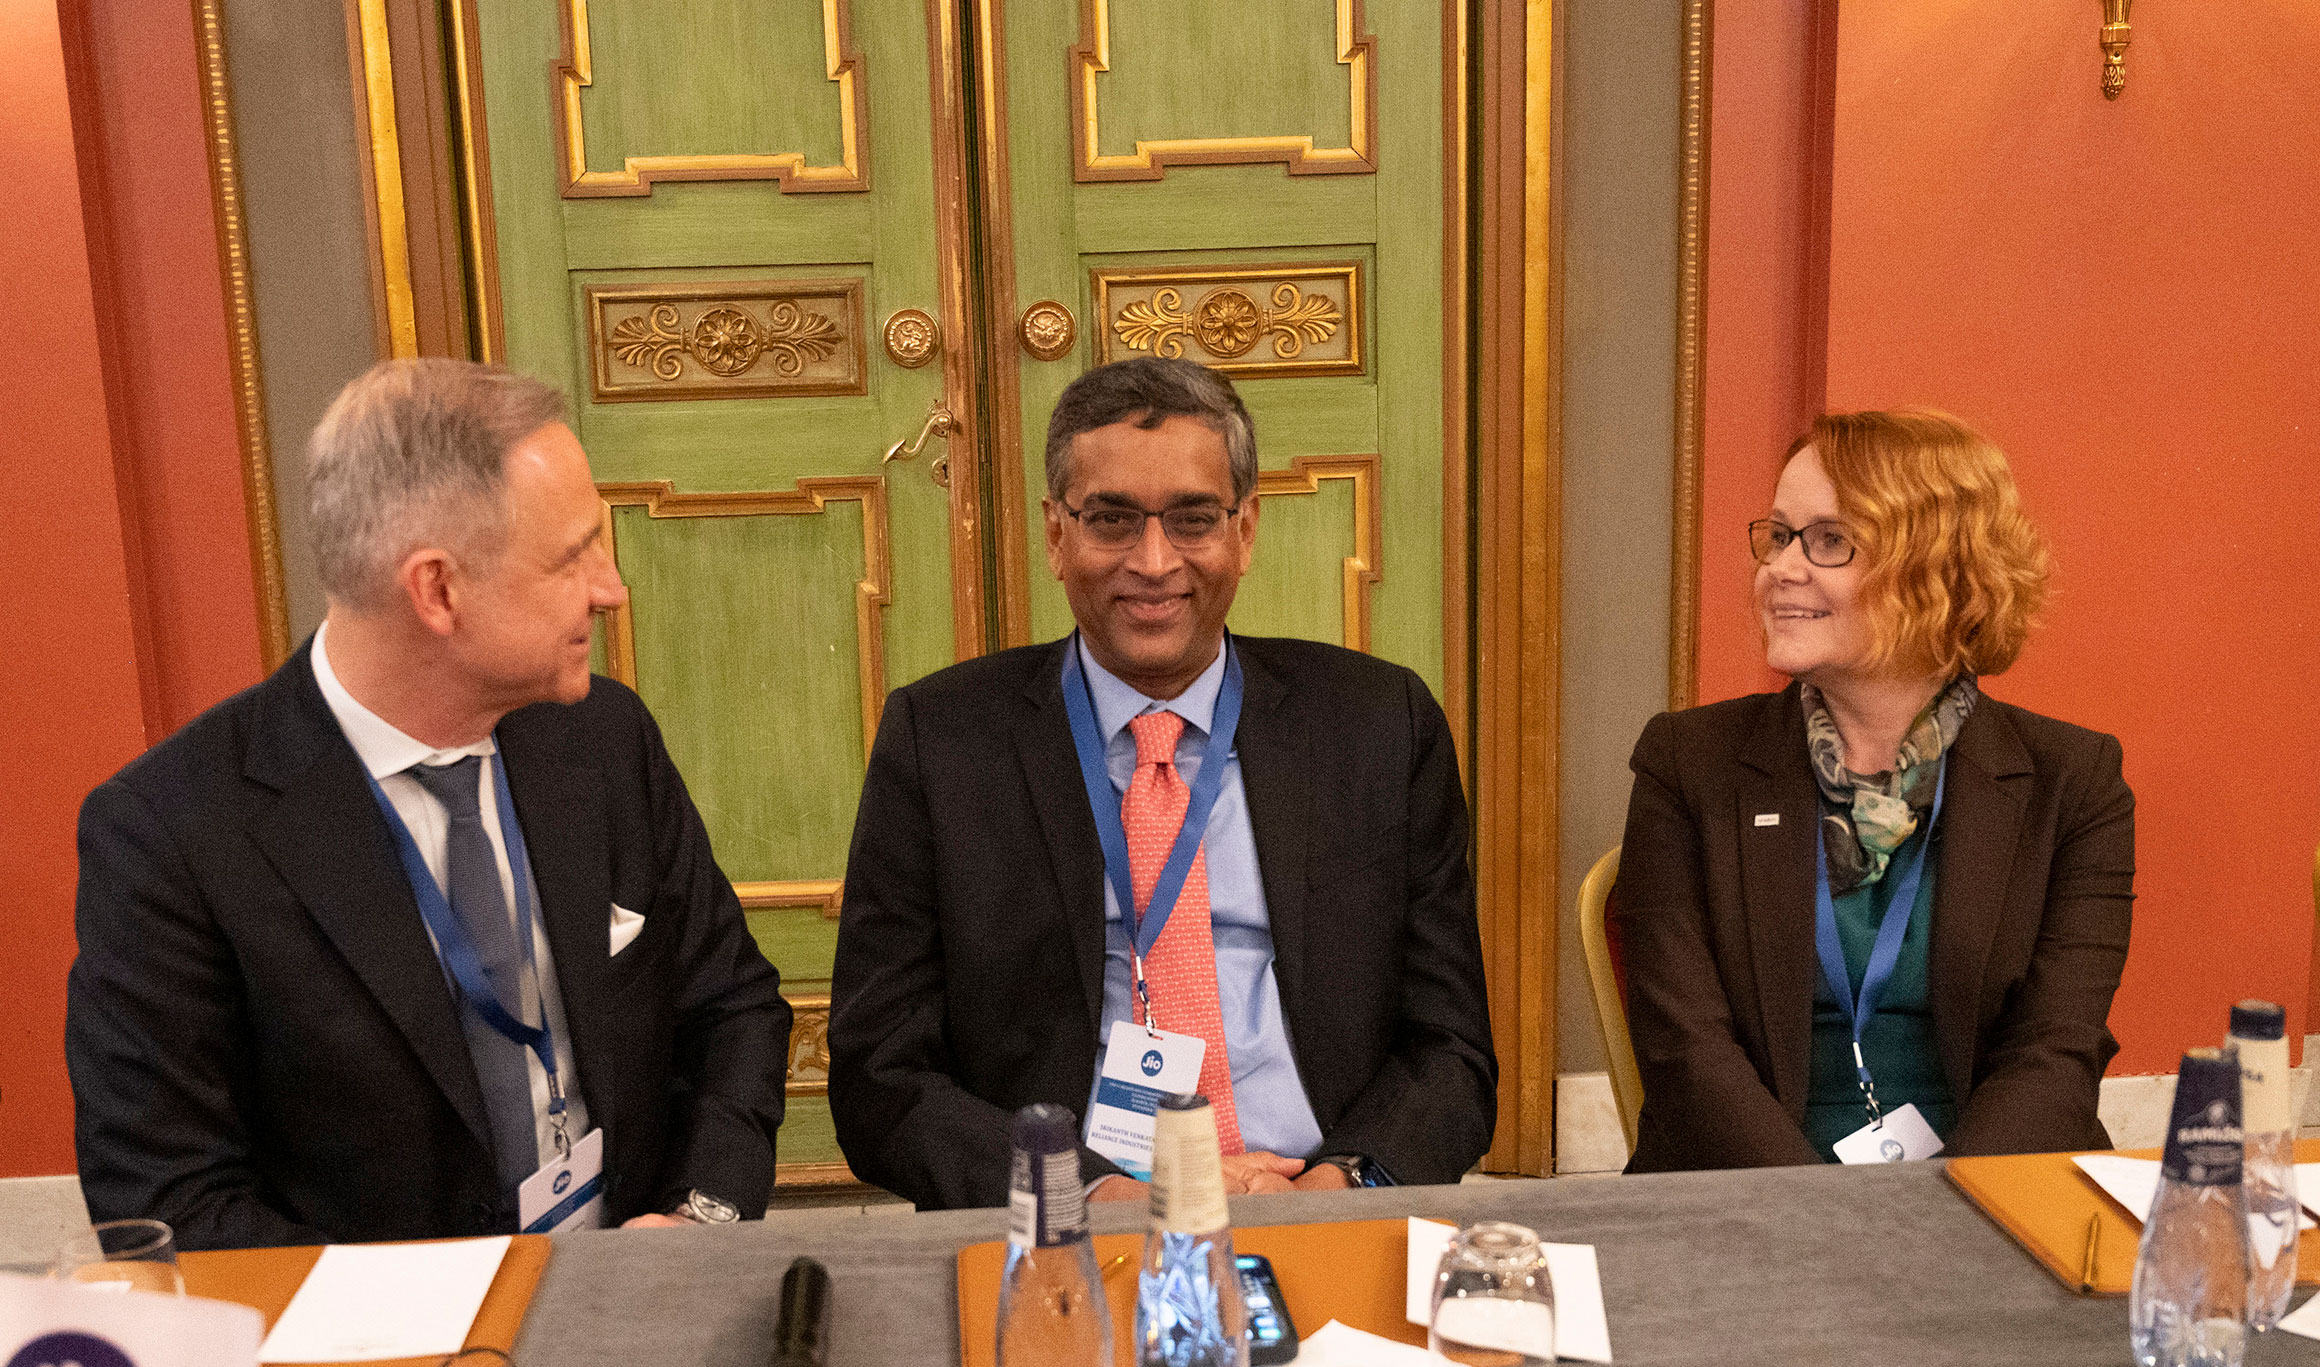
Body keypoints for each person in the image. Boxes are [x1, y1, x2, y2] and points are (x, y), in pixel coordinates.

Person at [66, 359, 791, 1248]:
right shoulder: (170, 834)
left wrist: (697, 1220)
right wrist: (454, 1318)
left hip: (638, 1293)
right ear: (438, 589)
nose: (612, 588)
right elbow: (172, 1199)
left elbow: (732, 1007)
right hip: (387, 1364)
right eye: (572, 557)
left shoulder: (605, 738)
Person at [829, 357, 1495, 1210]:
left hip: (1319, 1188)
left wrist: (1341, 1185)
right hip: (1075, 1213)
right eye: (1111, 520)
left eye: (1192, 519)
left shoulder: (1376, 724)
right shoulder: (944, 742)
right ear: (1055, 535)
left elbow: (1451, 1050)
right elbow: (881, 1077)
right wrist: (1089, 1193)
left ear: (1245, 531)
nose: (1153, 561)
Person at [1617, 408, 2133, 1171]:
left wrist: (1943, 1218)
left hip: (1990, 1185)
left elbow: (2054, 1054)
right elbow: (1685, 1048)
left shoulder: (2073, 782)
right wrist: (1830, 1225)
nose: (1780, 569)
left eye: (1829, 540)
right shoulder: (1688, 762)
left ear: (1938, 570)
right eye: (1780, 535)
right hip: (1748, 1190)